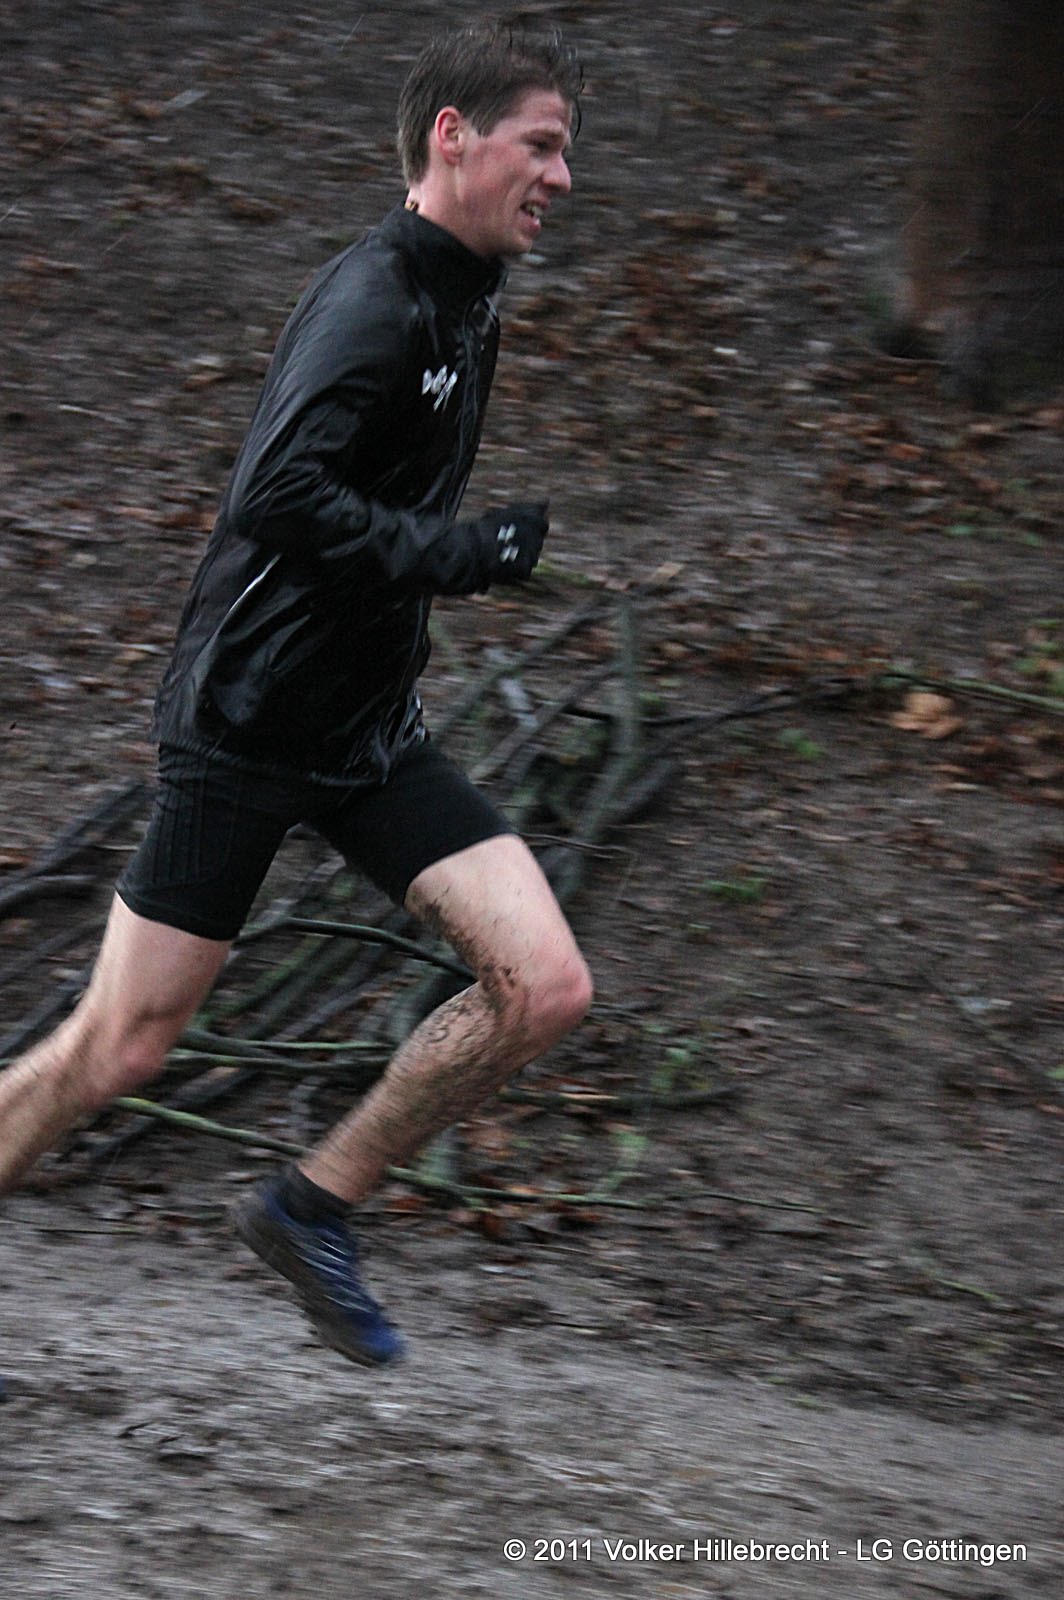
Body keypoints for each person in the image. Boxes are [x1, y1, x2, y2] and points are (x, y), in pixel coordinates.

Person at [0, 22, 591, 1366]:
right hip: (250, 724)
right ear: (454, 136)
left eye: (566, 152)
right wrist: (454, 554)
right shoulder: (374, 298)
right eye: (543, 146)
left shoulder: (468, 296)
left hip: (369, 732)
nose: (562, 177)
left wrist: (429, 572)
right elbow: (275, 493)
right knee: (118, 1049)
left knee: (544, 987)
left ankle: (311, 1205)